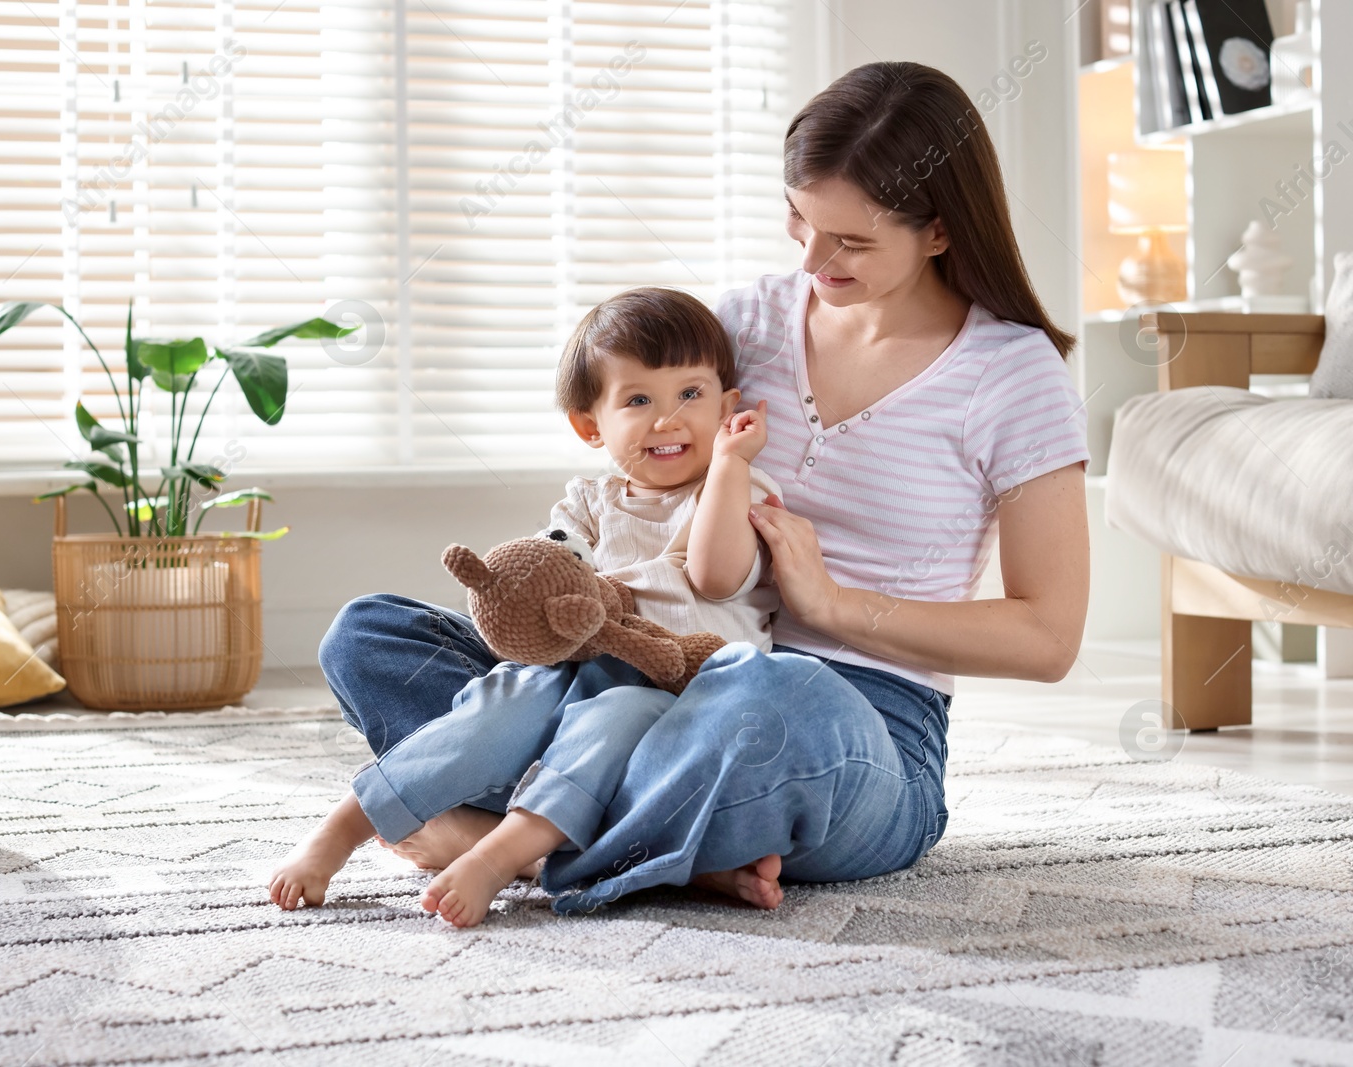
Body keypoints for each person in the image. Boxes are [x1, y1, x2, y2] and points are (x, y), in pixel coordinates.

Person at [316, 60, 1091, 915]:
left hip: (851, 717)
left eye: (851, 241)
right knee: (374, 634)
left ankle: (490, 836)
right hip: (646, 673)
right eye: (799, 219)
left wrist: (830, 606)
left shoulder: (1013, 374)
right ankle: (664, 853)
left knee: (766, 692)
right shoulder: (750, 320)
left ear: (940, 232)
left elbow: (1046, 638)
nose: (812, 258)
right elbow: (638, 446)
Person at [268, 287, 783, 926]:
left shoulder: (739, 486)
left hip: (681, 699)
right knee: (486, 695)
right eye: (638, 400)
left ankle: (497, 853)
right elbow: (542, 581)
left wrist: (732, 464)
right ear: (590, 425)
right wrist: (512, 597)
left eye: (691, 395)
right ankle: (343, 827)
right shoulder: (587, 504)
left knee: (612, 720)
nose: (668, 419)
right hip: (573, 669)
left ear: (728, 406)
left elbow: (715, 575)